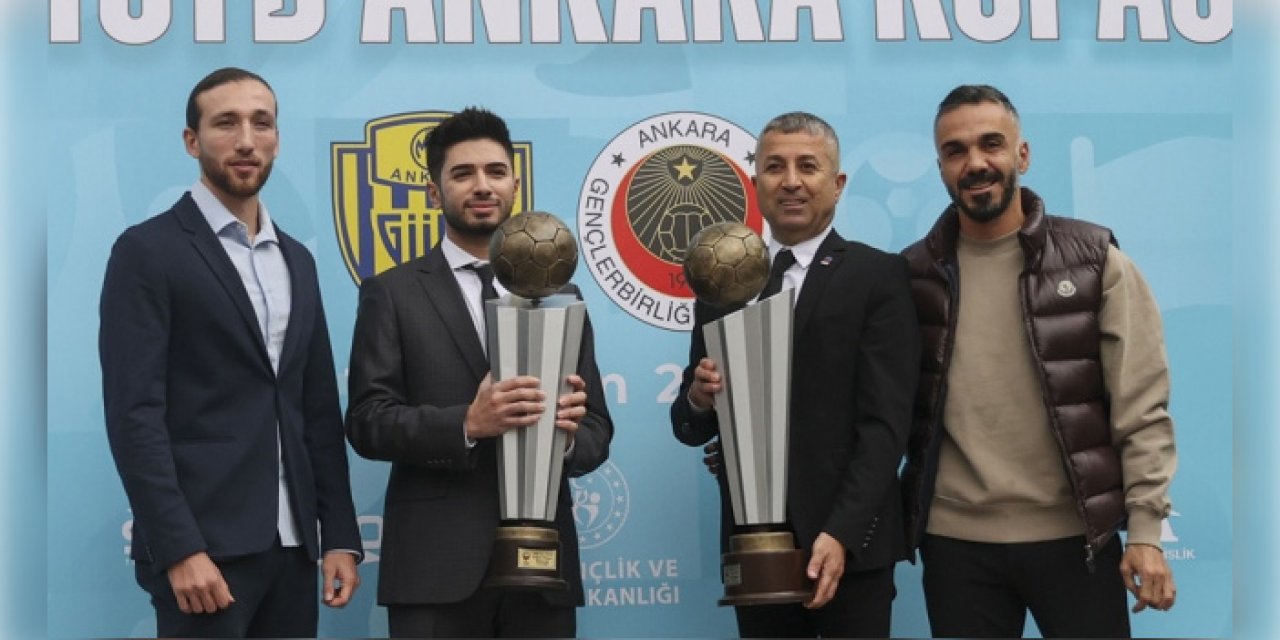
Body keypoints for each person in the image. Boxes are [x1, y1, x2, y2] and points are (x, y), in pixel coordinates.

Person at [900, 84, 1178, 638]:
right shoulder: (911, 277)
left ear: (1021, 155)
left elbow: (1141, 405)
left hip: (1079, 541)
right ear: (940, 168)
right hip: (957, 547)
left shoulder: (1098, 260)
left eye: (991, 144)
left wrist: (1145, 528)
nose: (976, 163)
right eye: (956, 151)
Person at [99, 67, 363, 638]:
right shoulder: (147, 251)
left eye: (260, 123)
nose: (246, 140)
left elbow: (316, 410)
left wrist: (338, 533)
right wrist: (178, 548)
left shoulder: (298, 260)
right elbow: (133, 415)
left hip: (293, 548)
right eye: (226, 123)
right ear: (192, 141)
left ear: (276, 138)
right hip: (204, 552)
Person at [345, 107, 614, 638]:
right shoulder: (392, 293)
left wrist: (562, 437)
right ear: (433, 191)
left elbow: (597, 432)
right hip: (434, 571)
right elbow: (367, 421)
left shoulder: (566, 297)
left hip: (543, 568)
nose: (481, 186)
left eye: (495, 171)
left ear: (515, 183)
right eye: (462, 173)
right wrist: (467, 424)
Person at [671, 112, 920, 638]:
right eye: (774, 167)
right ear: (756, 180)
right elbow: (691, 427)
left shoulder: (878, 276)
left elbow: (885, 427)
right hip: (754, 547)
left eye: (808, 166)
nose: (791, 181)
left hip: (850, 547)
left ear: (838, 183)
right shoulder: (724, 280)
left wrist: (842, 534)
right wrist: (697, 398)